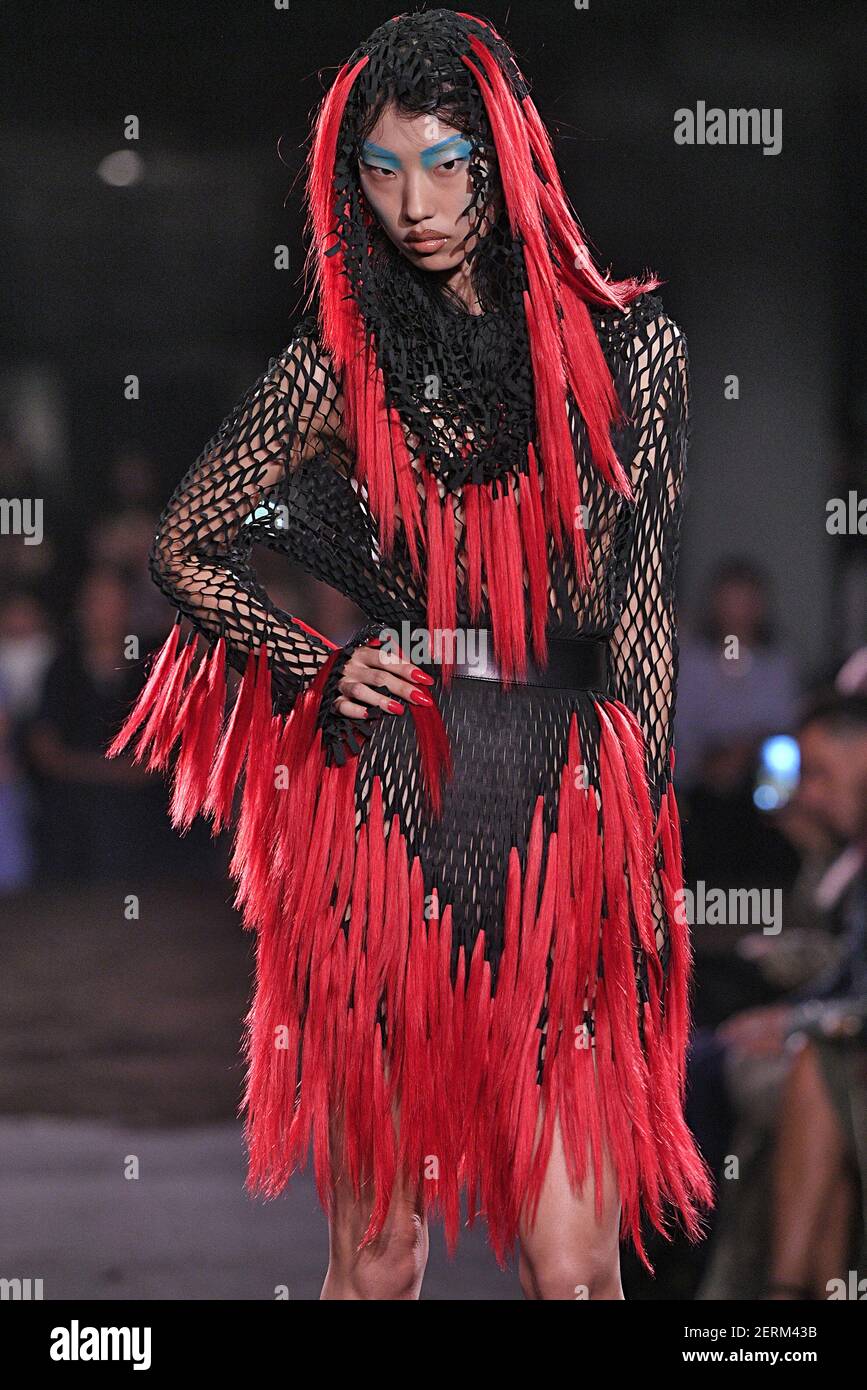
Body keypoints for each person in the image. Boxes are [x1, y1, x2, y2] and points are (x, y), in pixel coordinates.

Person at [106, 9, 713, 1300]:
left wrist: (646, 835)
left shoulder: (633, 353)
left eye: (444, 162)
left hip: (569, 804)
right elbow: (185, 545)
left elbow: (645, 607)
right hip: (392, 802)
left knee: (573, 1262)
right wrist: (318, 667)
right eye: (382, 172)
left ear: (504, 165)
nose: (416, 203)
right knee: (378, 1256)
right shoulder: (339, 366)